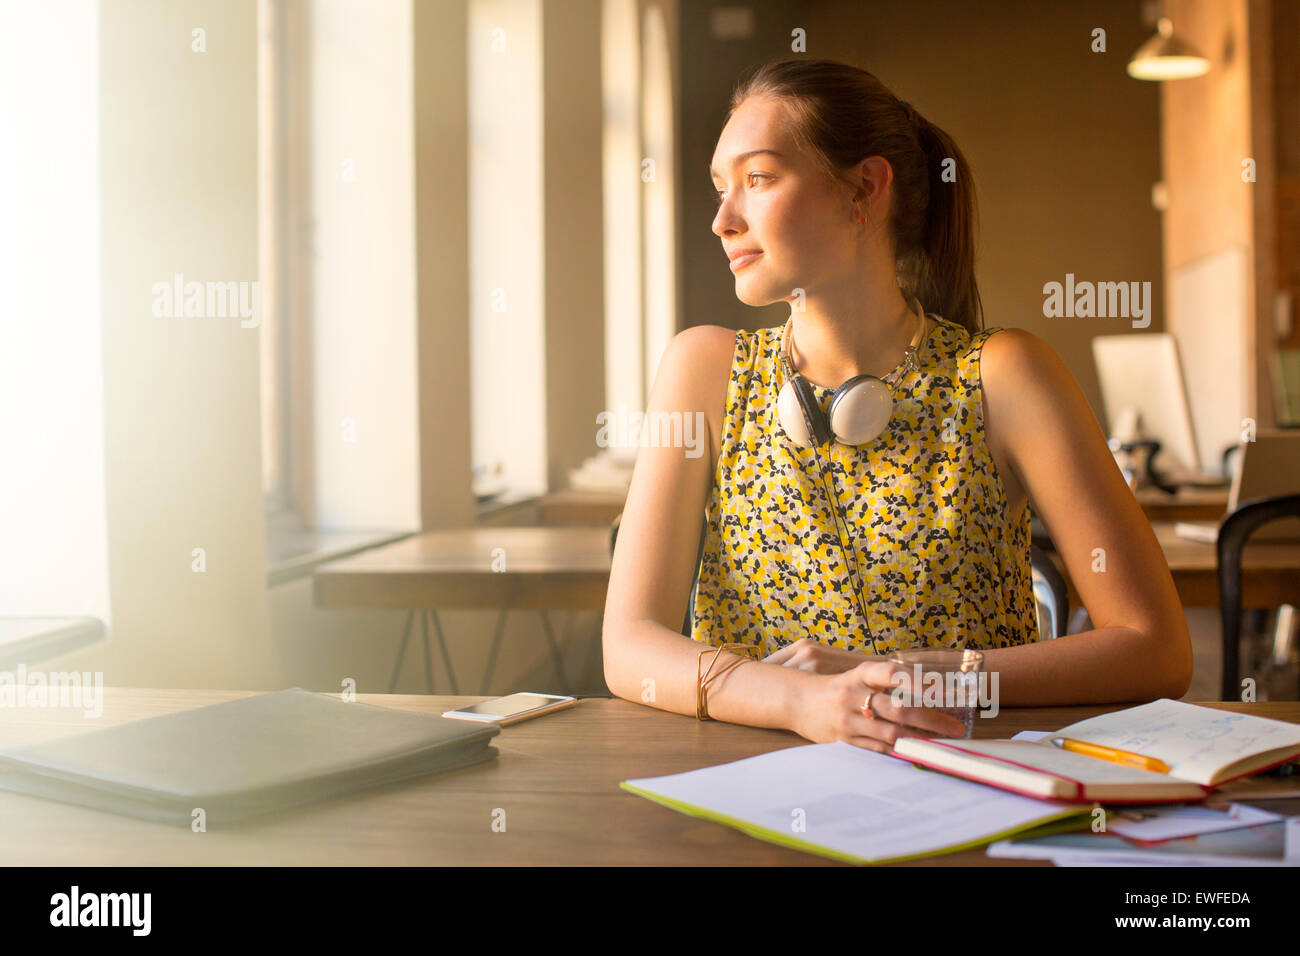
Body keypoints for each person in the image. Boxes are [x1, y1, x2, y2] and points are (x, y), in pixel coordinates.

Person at [602, 58, 1192, 753]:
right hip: (749, 791)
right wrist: (799, 700)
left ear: (864, 188)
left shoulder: (1006, 375)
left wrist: (905, 680)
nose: (723, 220)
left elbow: (1155, 650)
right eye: (719, 189)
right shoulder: (703, 369)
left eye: (757, 180)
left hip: (962, 788)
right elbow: (629, 648)